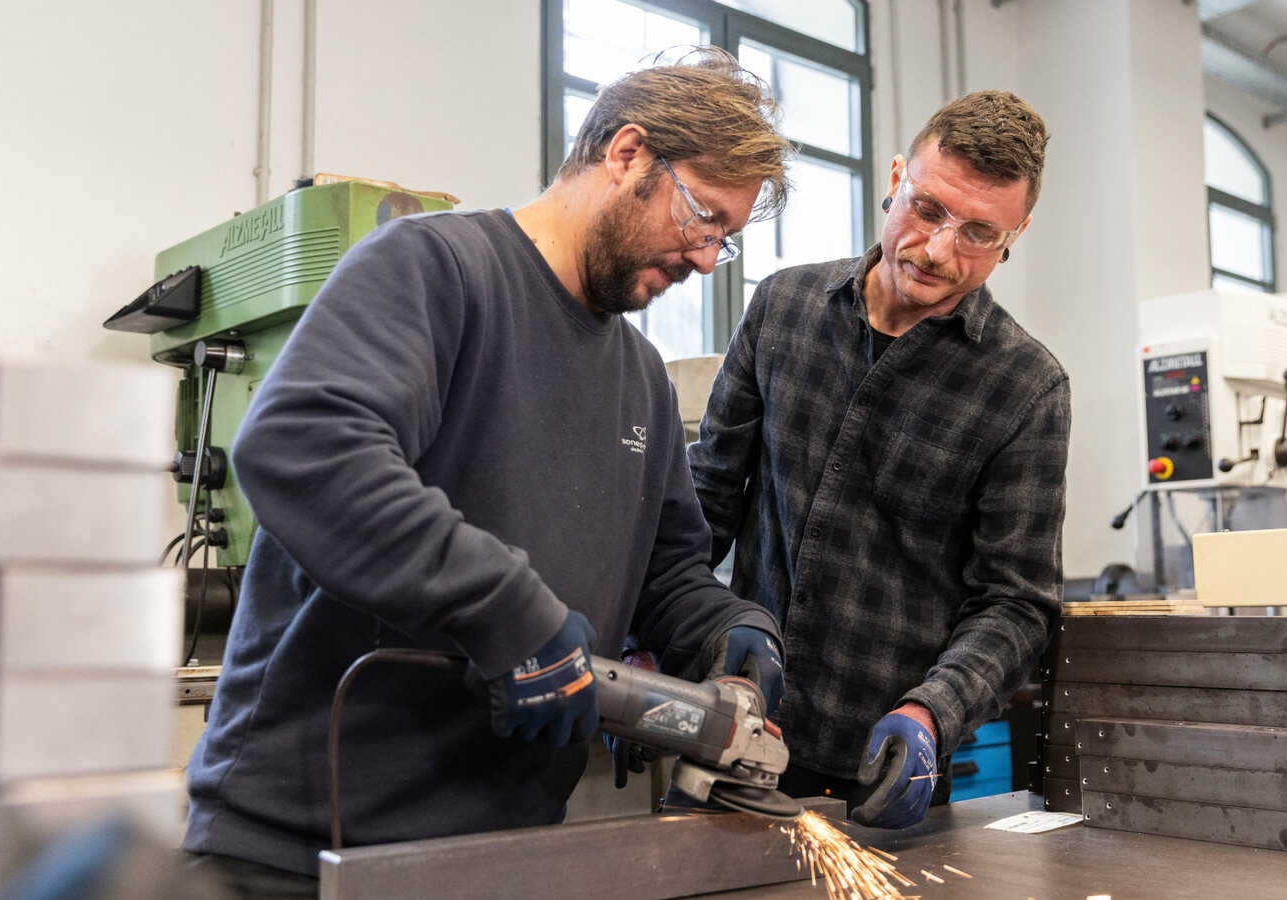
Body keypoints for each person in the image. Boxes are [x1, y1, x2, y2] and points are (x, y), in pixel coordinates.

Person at [181, 46, 796, 893]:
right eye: (703, 215)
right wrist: (512, 613)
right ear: (626, 156)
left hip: (501, 854)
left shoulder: (642, 376)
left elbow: (664, 571)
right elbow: (302, 443)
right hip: (311, 847)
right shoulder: (433, 269)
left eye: (722, 240)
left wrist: (726, 628)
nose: (702, 256)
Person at [687, 90, 1069, 830]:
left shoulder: (1026, 388)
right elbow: (705, 501)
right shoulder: (783, 308)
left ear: (1016, 231)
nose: (937, 251)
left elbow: (1016, 601)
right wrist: (646, 634)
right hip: (730, 728)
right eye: (926, 210)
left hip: (883, 765)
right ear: (896, 176)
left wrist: (935, 712)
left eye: (978, 234)